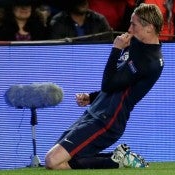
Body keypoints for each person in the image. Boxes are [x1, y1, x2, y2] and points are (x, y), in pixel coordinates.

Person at [45, 3, 164, 170]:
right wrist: (92, 97)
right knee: (57, 159)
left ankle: (116, 161)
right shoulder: (136, 44)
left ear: (149, 28)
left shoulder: (149, 61)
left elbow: (109, 84)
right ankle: (118, 157)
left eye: (134, 24)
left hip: (108, 120)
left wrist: (115, 50)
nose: (129, 29)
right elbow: (119, 83)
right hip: (96, 112)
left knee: (53, 161)